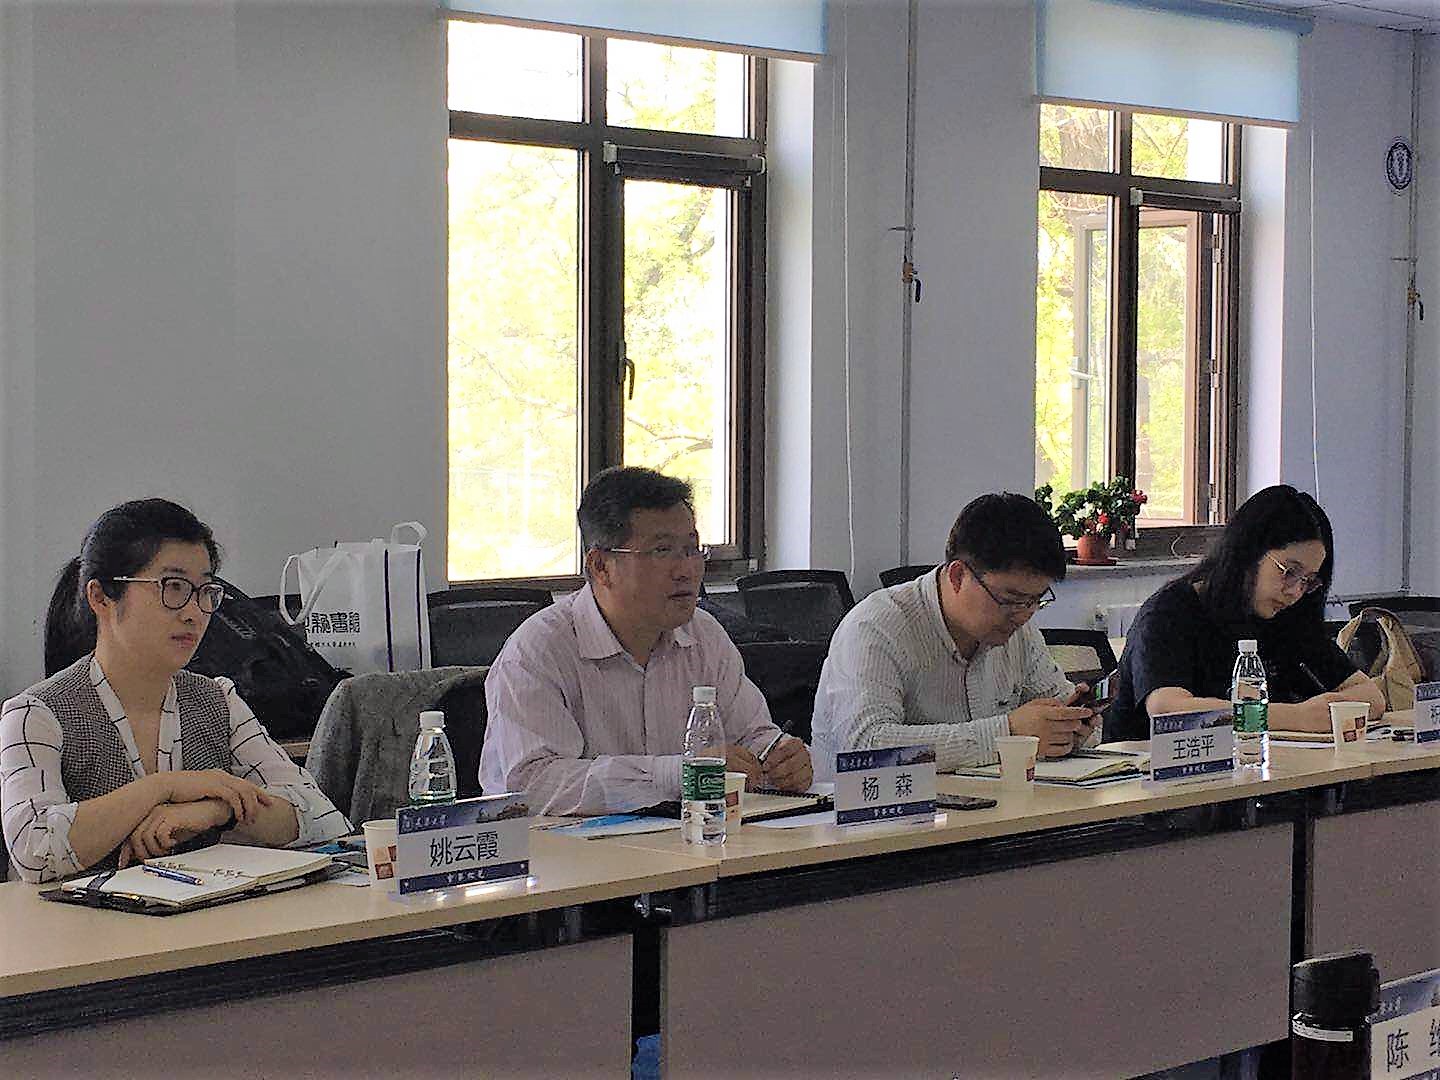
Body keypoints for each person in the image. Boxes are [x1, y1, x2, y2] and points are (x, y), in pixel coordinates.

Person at [1, 499, 349, 883]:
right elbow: (33, 848)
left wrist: (217, 810)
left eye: (205, 591)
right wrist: (164, 787)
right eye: (174, 587)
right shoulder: (36, 713)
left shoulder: (217, 700)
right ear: (100, 597)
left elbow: (322, 816)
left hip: (210, 916)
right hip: (83, 921)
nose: (194, 612)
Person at [480, 467, 812, 815]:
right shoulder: (537, 652)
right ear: (601, 566)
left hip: (687, 838)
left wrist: (782, 759)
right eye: (662, 551)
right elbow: (533, 786)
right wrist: (679, 774)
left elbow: (752, 738)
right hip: (565, 847)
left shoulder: (704, 636)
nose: (686, 570)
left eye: (692, 549)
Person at [811, 492, 1099, 778]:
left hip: (986, 801)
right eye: (1010, 600)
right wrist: (1007, 734)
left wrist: (1071, 728)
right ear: (958, 576)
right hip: (874, 805)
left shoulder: (1018, 630)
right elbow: (865, 748)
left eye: (1036, 600)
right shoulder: (877, 626)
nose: (1024, 615)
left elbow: (1063, 706)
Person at [1107, 485, 1385, 741]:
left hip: (1256, 768)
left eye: (1308, 581)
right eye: (1289, 571)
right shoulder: (1169, 612)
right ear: (1249, 552)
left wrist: (1330, 708)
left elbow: (1371, 697)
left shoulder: (1286, 618)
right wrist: (1297, 717)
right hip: (1151, 771)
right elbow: (1170, 710)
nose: (1295, 592)